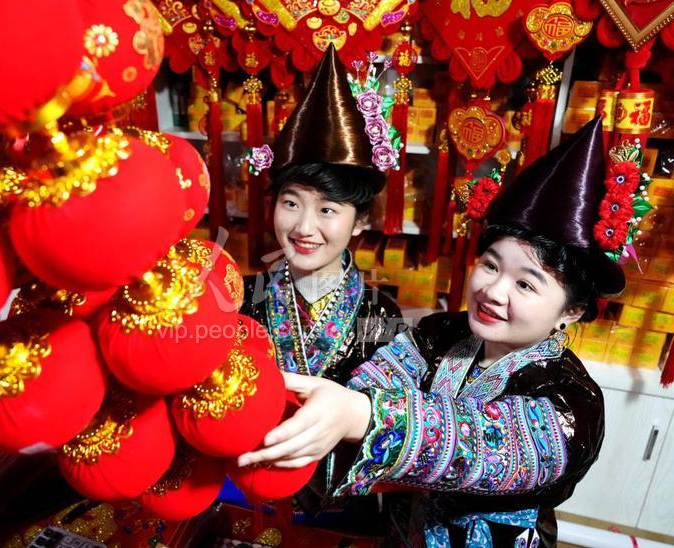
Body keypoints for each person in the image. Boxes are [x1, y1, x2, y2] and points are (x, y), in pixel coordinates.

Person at [238, 118, 624, 546]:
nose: (493, 291)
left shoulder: (573, 401)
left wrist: (363, 416)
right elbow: (376, 377)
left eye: (525, 285)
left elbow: (487, 446)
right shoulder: (441, 334)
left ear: (571, 311)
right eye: (491, 266)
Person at [235, 46, 404, 533]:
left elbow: (385, 427)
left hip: (341, 508)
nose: (303, 227)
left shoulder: (382, 315)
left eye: (327, 209)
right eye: (291, 203)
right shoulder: (241, 297)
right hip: (244, 487)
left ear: (360, 221)